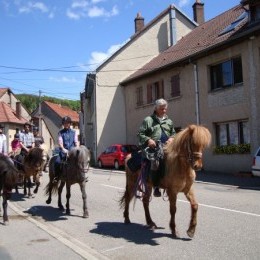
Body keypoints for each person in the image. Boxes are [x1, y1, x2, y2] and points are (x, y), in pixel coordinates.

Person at [137, 98, 176, 197]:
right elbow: (140, 134)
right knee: (156, 162)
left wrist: (172, 139)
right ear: (156, 108)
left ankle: (173, 183)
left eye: (165, 109)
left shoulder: (169, 121)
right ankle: (156, 186)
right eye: (162, 109)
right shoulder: (148, 120)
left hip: (167, 147)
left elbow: (174, 134)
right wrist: (148, 140)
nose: (164, 111)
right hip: (153, 148)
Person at [53, 116, 79, 183]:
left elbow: (76, 141)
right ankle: (56, 177)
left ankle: (81, 176)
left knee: (80, 160)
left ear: (70, 123)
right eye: (64, 123)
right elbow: (60, 142)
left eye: (67, 123)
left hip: (72, 151)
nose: (66, 124)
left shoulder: (74, 132)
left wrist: (77, 148)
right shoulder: (60, 133)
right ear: (63, 124)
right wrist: (63, 149)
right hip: (63, 151)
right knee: (57, 162)